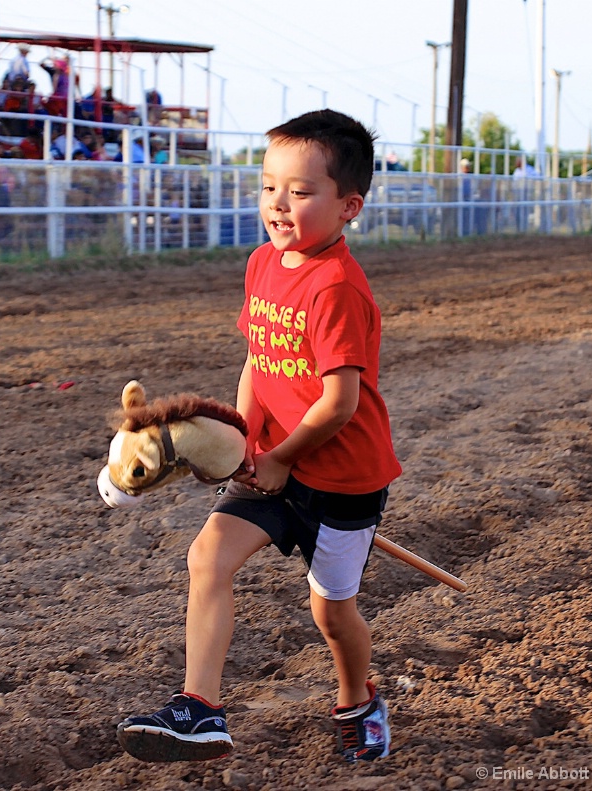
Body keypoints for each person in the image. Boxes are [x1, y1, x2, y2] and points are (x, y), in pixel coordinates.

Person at [116, 109, 401, 765]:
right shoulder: (263, 264)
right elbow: (258, 360)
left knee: (331, 614)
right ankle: (200, 707)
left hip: (341, 480)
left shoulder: (336, 288)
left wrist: (278, 458)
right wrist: (247, 445)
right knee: (207, 558)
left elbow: (340, 401)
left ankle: (359, 699)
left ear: (349, 205)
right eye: (269, 184)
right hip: (272, 462)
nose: (279, 202)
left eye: (301, 192)